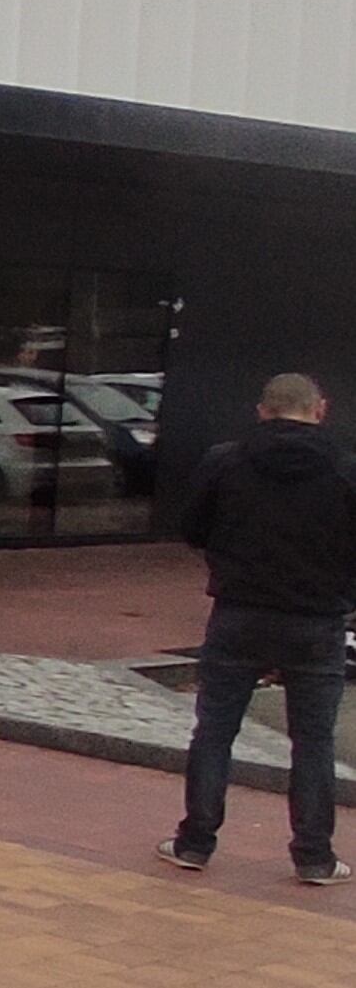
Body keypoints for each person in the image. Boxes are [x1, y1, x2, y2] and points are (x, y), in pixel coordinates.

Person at [157, 373, 356, 885]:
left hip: (238, 613)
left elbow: (193, 528)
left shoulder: (225, 460)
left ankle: (194, 843)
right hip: (317, 620)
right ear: (321, 409)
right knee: (312, 740)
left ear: (262, 411)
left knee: (215, 730)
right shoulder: (345, 469)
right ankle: (313, 856)